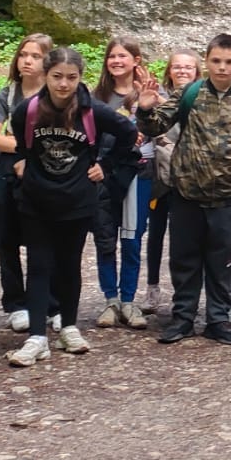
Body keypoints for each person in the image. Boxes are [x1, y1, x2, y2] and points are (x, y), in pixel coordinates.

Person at [131, 34, 231, 346]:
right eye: (216, 61)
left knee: (222, 260)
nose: (222, 67)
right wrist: (145, 109)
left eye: (229, 62)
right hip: (186, 191)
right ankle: (183, 317)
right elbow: (155, 126)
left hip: (227, 194)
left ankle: (218, 319)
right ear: (206, 61)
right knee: (184, 258)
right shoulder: (189, 93)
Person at [4, 45, 140, 366]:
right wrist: (23, 161)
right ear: (46, 75)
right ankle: (37, 337)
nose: (63, 84)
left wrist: (105, 165)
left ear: (80, 77)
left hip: (78, 201)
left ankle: (68, 326)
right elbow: (22, 144)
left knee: (69, 264)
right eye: (56, 77)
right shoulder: (28, 110)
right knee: (39, 265)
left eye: (71, 77)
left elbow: (128, 134)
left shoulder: (92, 111)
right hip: (37, 200)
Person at [0, 32, 53, 333]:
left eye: (36, 56)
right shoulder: (8, 94)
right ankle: (15, 303)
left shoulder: (54, 94)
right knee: (7, 238)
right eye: (24, 54)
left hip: (46, 173)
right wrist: (26, 146)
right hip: (7, 172)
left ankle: (51, 302)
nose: (27, 61)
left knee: (46, 239)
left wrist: (18, 144)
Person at [89, 37, 151, 329]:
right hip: (103, 174)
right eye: (112, 56)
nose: (116, 61)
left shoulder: (148, 93)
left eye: (122, 56)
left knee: (131, 240)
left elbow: (160, 130)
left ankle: (128, 299)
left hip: (138, 175)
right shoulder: (97, 96)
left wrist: (146, 108)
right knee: (105, 238)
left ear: (136, 60)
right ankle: (110, 300)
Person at [141, 50, 198, 315]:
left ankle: (183, 294)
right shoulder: (156, 96)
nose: (182, 71)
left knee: (184, 240)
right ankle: (152, 287)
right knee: (155, 234)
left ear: (197, 72)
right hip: (160, 178)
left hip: (191, 180)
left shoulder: (202, 99)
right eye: (177, 67)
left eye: (188, 67)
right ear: (169, 71)